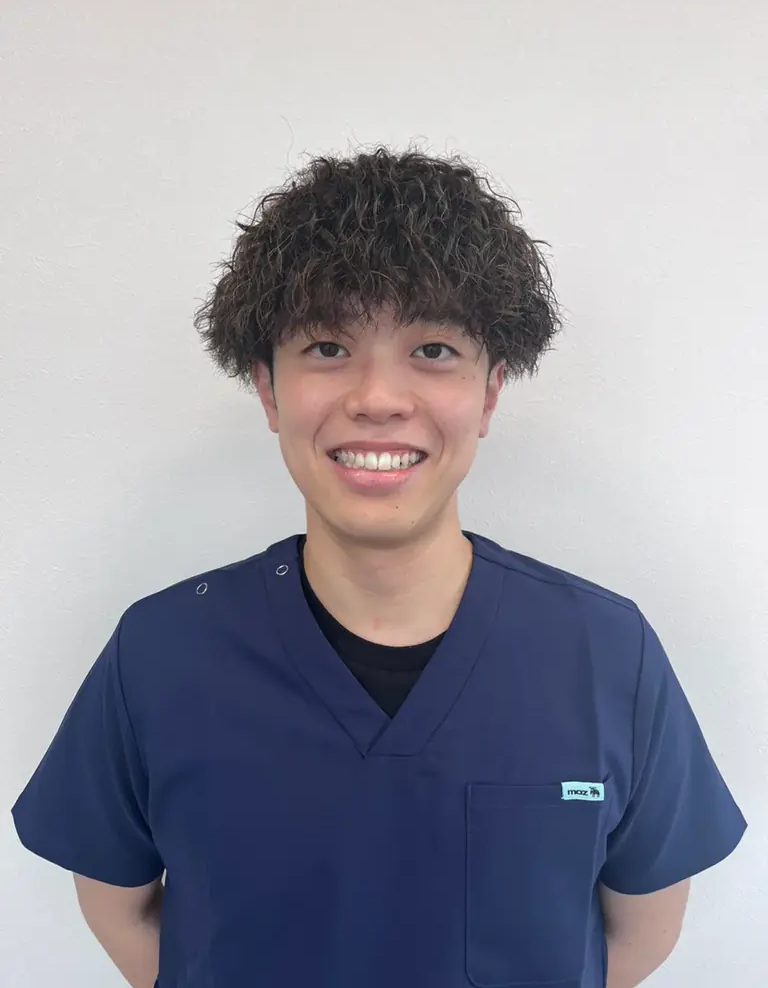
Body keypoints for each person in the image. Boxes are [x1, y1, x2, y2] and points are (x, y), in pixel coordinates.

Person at [12, 146, 746, 988]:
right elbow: (120, 910)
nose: (378, 398)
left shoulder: (607, 653)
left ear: (491, 392)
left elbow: (643, 931)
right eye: (328, 346)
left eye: (433, 349)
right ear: (267, 389)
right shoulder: (160, 652)